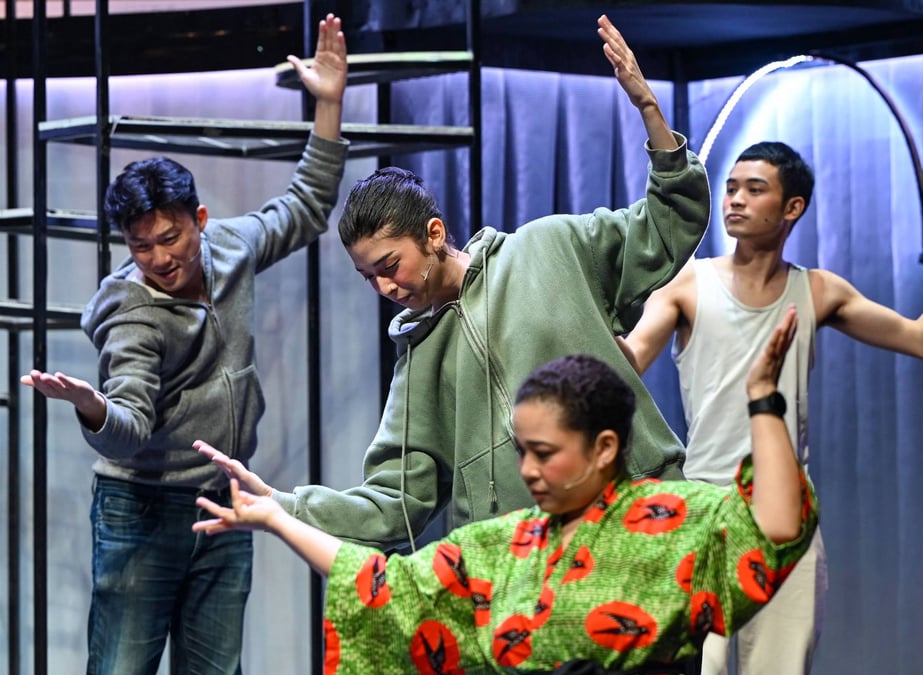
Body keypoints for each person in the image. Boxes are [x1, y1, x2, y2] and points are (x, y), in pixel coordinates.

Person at [196, 14, 711, 550]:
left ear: (434, 233)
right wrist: (280, 506)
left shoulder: (551, 247)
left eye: (389, 266)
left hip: (640, 527)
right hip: (521, 569)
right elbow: (392, 504)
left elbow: (669, 224)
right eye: (367, 277)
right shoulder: (419, 362)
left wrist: (650, 111)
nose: (384, 288)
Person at [193, 310, 819, 675]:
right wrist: (276, 518)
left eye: (545, 453)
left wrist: (764, 400)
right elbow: (387, 585)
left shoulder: (674, 517)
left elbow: (777, 526)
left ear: (604, 448)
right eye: (521, 450)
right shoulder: (510, 542)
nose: (528, 469)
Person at [19, 14, 350, 675]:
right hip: (142, 505)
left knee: (215, 674)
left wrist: (329, 104)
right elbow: (129, 428)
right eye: (142, 246)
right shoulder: (133, 311)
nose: (160, 258)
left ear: (199, 220)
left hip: (222, 496)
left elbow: (308, 205)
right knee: (120, 672)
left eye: (170, 238)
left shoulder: (231, 247)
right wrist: (91, 406)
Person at [619, 140, 923, 675]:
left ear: (793, 208)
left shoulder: (818, 290)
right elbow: (628, 363)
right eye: (732, 188)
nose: (734, 199)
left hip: (785, 517)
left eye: (754, 189)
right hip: (702, 512)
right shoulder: (692, 284)